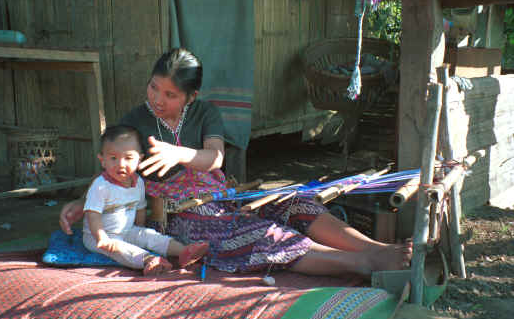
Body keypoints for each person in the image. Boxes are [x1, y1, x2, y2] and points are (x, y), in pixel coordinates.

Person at [61, 47, 412, 278]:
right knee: (260, 234)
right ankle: (363, 265)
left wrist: (181, 154)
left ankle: (377, 249)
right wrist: (82, 201)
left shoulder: (206, 113)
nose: (157, 99)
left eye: (170, 94)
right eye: (154, 88)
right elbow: (112, 168)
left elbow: (216, 156)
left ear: (191, 96)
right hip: (178, 213)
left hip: (224, 198)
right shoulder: (135, 120)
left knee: (294, 202)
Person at [82, 124, 209, 276]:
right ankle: (148, 259)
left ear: (139, 159)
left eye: (128, 158)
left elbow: (140, 208)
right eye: (113, 158)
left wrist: (140, 231)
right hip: (99, 237)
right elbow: (92, 214)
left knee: (150, 236)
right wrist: (101, 238)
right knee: (120, 248)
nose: (121, 164)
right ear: (102, 160)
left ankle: (184, 251)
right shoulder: (101, 185)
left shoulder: (139, 183)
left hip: (126, 230)